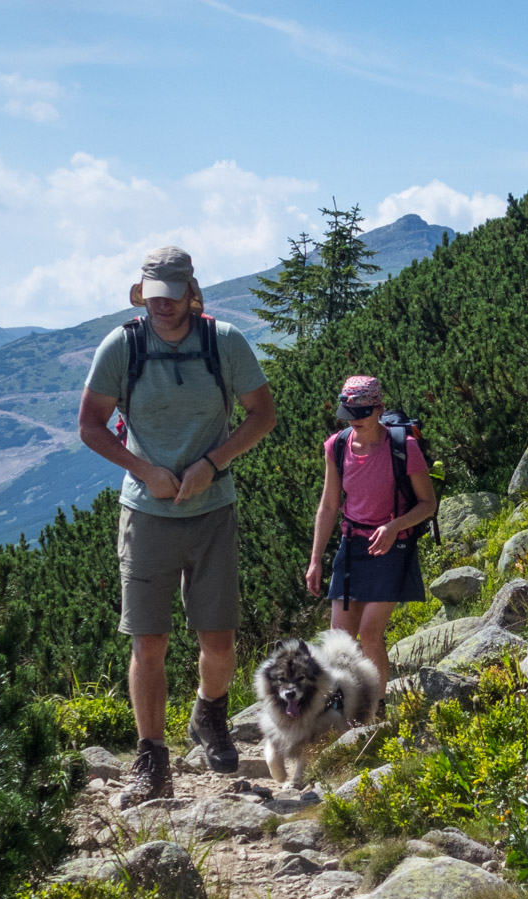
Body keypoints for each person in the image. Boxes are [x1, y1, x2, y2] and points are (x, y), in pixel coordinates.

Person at [78, 246, 276, 803]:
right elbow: (91, 426)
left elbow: (263, 413)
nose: (162, 308)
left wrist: (213, 464)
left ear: (191, 292)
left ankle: (209, 711)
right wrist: (145, 471)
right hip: (146, 512)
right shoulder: (123, 346)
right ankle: (151, 760)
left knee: (218, 640)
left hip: (213, 507)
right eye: (153, 297)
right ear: (141, 293)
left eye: (171, 296)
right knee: (150, 641)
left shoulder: (224, 342)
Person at [305, 375, 437, 698]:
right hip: (353, 547)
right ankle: (345, 710)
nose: (354, 421)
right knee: (340, 639)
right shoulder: (336, 447)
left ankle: (377, 711)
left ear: (379, 409)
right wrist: (315, 560)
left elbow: (428, 504)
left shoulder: (403, 447)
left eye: (361, 413)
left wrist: (394, 527)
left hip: (394, 546)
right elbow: (329, 505)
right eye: (348, 414)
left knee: (369, 634)